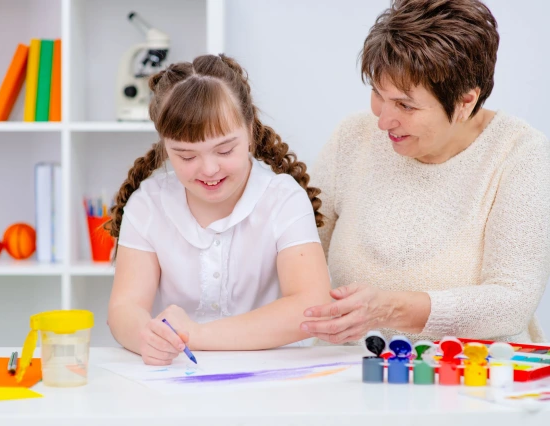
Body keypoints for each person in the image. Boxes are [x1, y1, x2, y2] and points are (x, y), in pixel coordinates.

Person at [300, 0, 550, 344]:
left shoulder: (519, 154)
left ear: (465, 102)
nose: (383, 120)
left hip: (471, 382)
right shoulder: (351, 138)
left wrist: (388, 309)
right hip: (349, 374)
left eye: (405, 105)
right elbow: (297, 255)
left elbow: (511, 302)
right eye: (377, 92)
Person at [107, 54, 332, 365]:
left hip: (272, 375)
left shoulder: (282, 199)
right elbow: (123, 310)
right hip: (179, 380)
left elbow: (311, 304)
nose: (209, 169)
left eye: (225, 150)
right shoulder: (149, 204)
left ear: (250, 131)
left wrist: (196, 335)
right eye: (186, 156)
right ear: (164, 145)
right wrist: (145, 336)